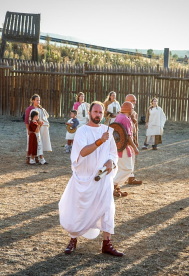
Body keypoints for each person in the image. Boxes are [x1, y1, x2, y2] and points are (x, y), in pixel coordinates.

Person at [59, 101, 123, 257]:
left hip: (102, 178)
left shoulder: (108, 130)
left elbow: (113, 153)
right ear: (89, 113)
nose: (98, 115)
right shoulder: (82, 131)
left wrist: (111, 162)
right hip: (84, 178)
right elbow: (82, 152)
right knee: (78, 209)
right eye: (95, 112)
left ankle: (107, 244)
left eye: (100, 113)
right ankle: (73, 240)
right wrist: (100, 140)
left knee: (107, 208)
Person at [112, 102, 140, 197]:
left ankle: (117, 188)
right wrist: (135, 148)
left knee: (120, 169)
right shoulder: (124, 118)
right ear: (129, 109)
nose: (133, 110)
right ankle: (112, 186)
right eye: (132, 108)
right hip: (123, 147)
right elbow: (127, 136)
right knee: (128, 169)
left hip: (119, 146)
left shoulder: (120, 116)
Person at [25, 94, 51, 164]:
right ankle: (29, 158)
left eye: (39, 100)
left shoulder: (40, 109)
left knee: (39, 144)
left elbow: (45, 117)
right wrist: (28, 130)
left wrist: (40, 124)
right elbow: (26, 120)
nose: (38, 101)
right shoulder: (29, 109)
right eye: (37, 100)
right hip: (32, 130)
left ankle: (40, 159)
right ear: (33, 101)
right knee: (31, 144)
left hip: (38, 129)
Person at [124, 94, 143, 185]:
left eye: (135, 101)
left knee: (132, 158)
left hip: (133, 137)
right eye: (132, 101)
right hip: (125, 140)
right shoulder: (123, 112)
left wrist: (137, 141)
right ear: (127, 101)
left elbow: (136, 128)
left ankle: (131, 177)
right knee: (125, 160)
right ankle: (117, 181)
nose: (134, 102)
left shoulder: (134, 113)